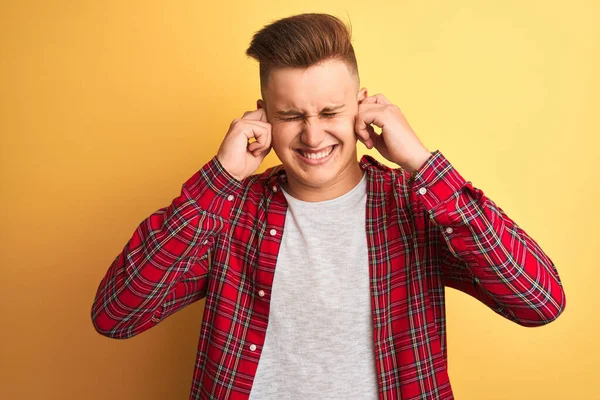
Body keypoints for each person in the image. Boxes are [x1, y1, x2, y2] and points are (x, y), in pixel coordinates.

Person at [91, 13, 566, 400]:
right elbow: (118, 314)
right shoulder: (229, 211)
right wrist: (220, 178)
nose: (313, 136)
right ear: (263, 116)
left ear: (361, 107)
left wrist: (422, 165)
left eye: (330, 112)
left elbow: (539, 301)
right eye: (291, 115)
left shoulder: (414, 205)